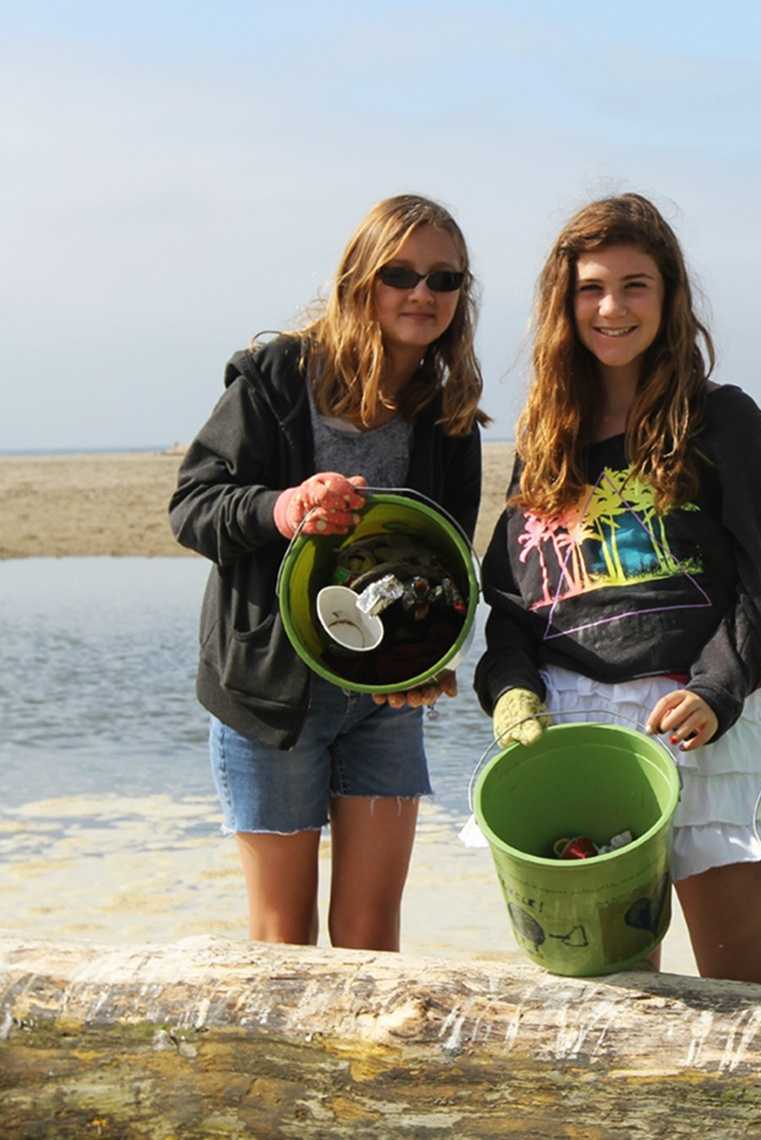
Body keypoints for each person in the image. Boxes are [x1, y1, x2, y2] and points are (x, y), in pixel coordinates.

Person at [474, 192, 761, 985]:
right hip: (572, 732)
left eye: (635, 284)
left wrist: (720, 689)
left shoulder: (724, 422)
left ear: (670, 295)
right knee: (604, 992)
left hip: (693, 722)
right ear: (564, 303)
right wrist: (511, 691)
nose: (611, 307)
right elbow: (513, 603)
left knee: (744, 985)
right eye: (591, 288)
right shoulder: (546, 441)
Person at [169, 193, 487, 951]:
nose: (422, 293)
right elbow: (193, 505)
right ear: (359, 281)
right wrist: (285, 509)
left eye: (445, 280)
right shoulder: (277, 378)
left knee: (372, 939)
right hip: (269, 698)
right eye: (400, 273)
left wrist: (433, 661)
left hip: (383, 701)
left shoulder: (448, 417)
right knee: (282, 941)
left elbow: (445, 574)